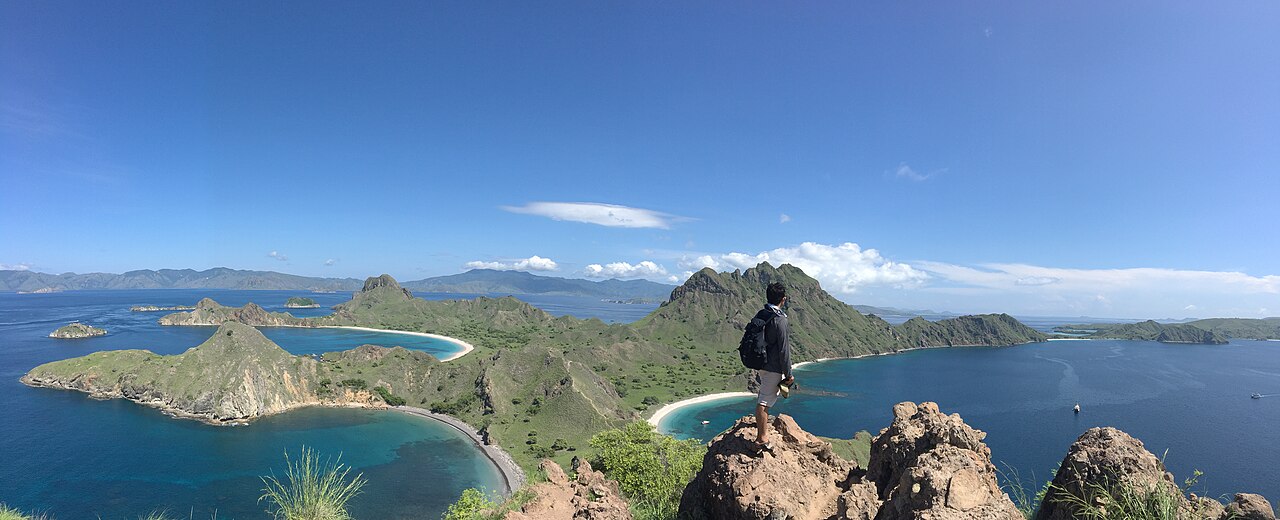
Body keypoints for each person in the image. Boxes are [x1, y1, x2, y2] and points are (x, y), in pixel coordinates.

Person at [754, 281, 793, 453]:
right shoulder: (780, 319)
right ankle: (762, 439)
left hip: (761, 363)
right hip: (773, 367)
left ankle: (762, 429)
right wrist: (788, 373)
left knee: (765, 395)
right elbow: (784, 350)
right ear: (783, 299)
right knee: (764, 401)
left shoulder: (763, 313)